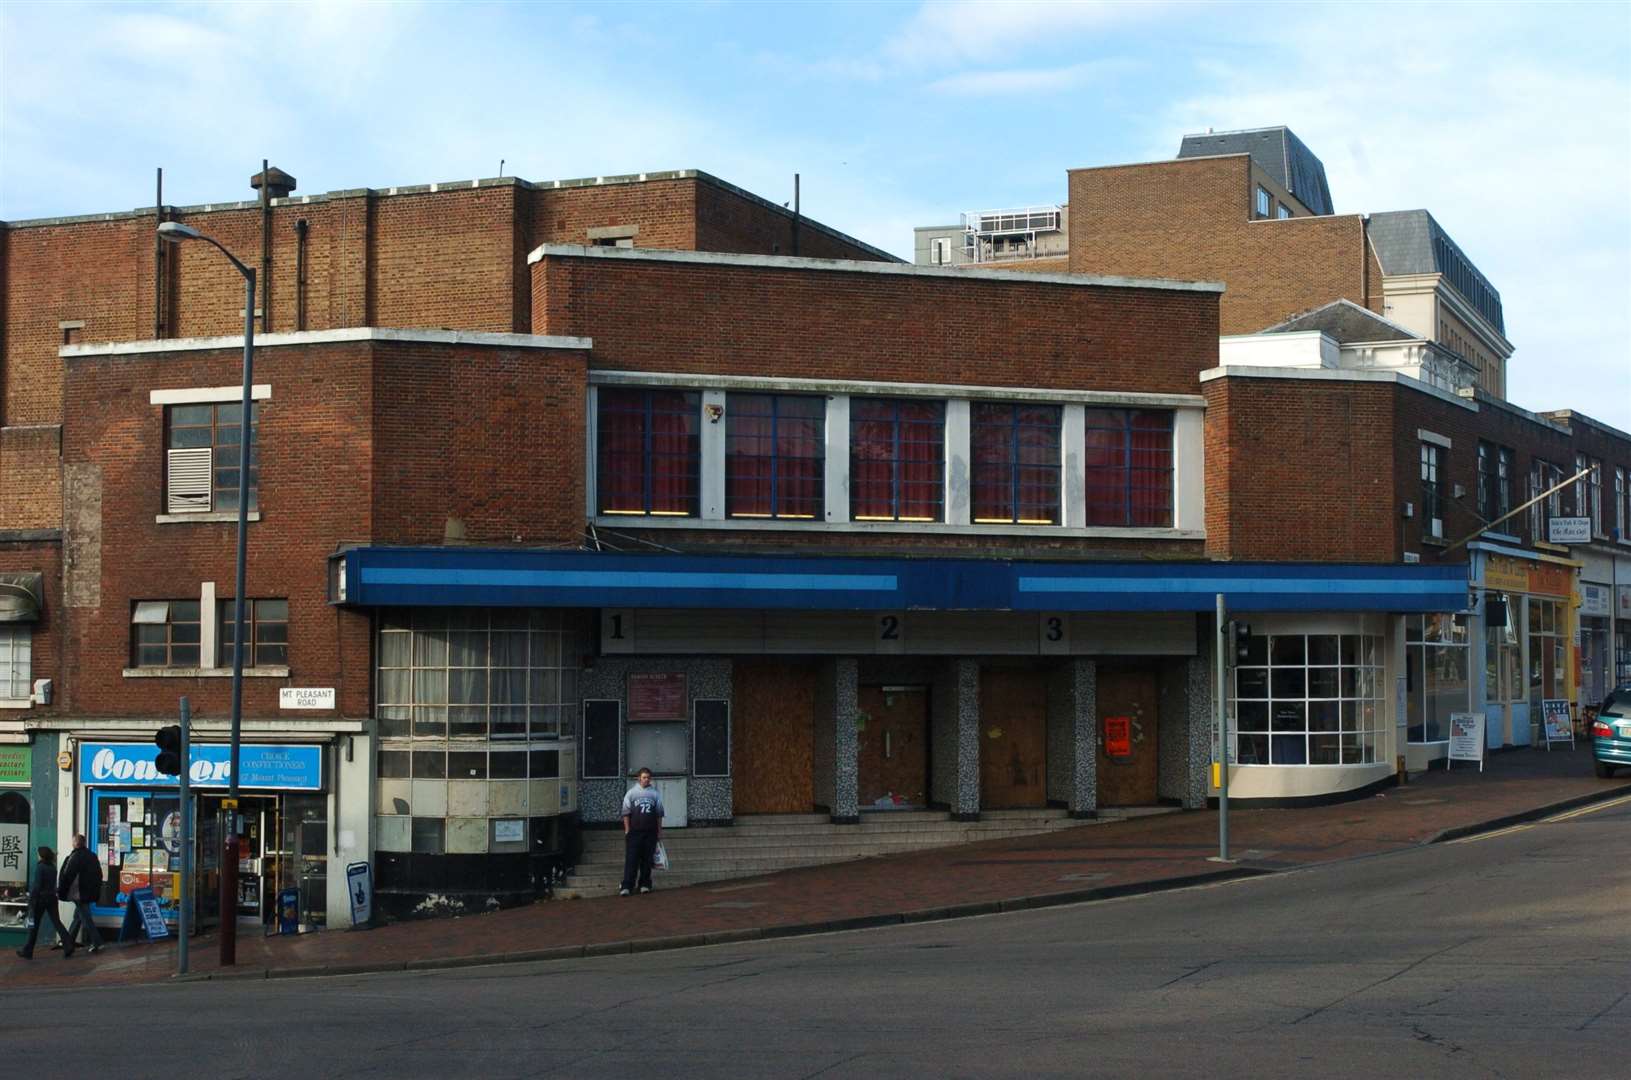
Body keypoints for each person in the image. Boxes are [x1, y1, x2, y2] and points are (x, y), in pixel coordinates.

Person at [15, 846, 74, 959]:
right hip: (51, 898)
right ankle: (68, 944)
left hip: (40, 899)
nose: (37, 856)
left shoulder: (40, 868)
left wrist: (32, 899)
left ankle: (27, 951)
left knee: (33, 925)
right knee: (57, 922)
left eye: (38, 854)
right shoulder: (52, 867)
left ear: (41, 855)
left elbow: (37, 886)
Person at [619, 767, 664, 896]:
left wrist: (659, 831)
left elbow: (659, 814)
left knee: (647, 860)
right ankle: (627, 885)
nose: (646, 779)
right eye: (644, 777)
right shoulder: (631, 793)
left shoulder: (655, 793)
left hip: (650, 832)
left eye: (648, 777)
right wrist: (627, 830)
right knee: (632, 859)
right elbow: (626, 813)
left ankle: (644, 884)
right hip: (635, 832)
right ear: (639, 778)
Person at [57, 832, 105, 955]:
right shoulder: (92, 856)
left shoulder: (75, 857)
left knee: (85, 917)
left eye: (73, 841)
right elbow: (99, 874)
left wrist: (61, 890)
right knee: (78, 916)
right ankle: (69, 941)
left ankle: (97, 942)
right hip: (88, 892)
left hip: (79, 893)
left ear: (75, 843)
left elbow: (67, 875)